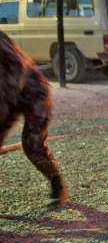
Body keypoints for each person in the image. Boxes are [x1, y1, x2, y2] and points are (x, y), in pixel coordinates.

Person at [0, 31, 68, 206]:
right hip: (7, 98)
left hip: (34, 92)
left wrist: (5, 102)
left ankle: (56, 184)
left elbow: (18, 66)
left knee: (32, 145)